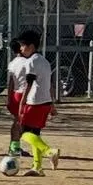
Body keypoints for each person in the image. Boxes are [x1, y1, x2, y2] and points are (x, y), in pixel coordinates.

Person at [15, 30, 60, 174]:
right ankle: (37, 167)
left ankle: (49, 151)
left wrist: (22, 102)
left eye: (23, 45)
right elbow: (48, 84)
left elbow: (29, 84)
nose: (21, 49)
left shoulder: (31, 61)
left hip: (34, 102)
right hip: (45, 102)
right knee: (36, 134)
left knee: (23, 133)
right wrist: (52, 104)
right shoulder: (45, 61)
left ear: (31, 46)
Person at [5, 37, 28, 157]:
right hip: (24, 95)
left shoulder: (12, 63)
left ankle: (14, 146)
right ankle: (14, 147)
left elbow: (11, 82)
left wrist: (8, 98)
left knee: (17, 121)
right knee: (21, 123)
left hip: (15, 94)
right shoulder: (27, 62)